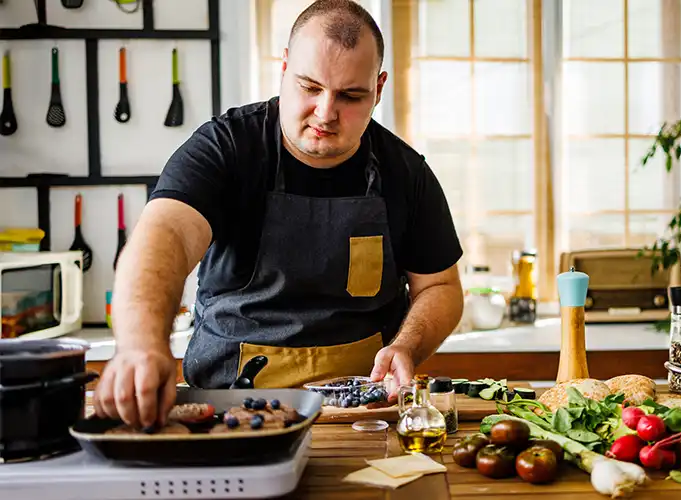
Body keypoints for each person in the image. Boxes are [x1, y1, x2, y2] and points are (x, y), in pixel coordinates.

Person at [93, 0, 464, 430]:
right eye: (310, 86)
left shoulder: (405, 172)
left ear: (378, 89)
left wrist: (408, 347)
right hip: (230, 412)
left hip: (364, 419)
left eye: (350, 95)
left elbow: (440, 286)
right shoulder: (226, 148)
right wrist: (140, 343)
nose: (326, 113)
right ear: (284, 67)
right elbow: (165, 238)